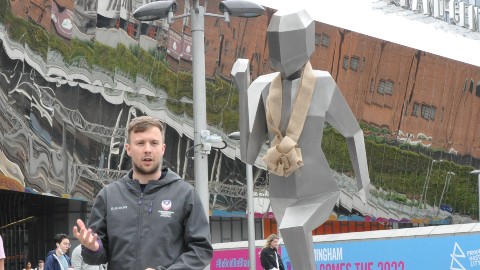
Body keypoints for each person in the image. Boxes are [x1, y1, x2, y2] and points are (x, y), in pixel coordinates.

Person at [231, 8, 370, 270]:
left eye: (288, 40)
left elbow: (353, 131)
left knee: (295, 227)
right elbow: (249, 155)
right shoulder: (260, 86)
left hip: (317, 190)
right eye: (276, 41)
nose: (281, 51)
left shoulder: (323, 83)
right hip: (281, 195)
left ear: (304, 41)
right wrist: (243, 94)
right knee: (299, 249)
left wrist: (364, 181)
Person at [72, 116, 213, 270]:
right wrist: (93, 248)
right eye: (140, 143)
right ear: (128, 149)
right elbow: (97, 255)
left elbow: (201, 251)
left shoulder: (185, 195)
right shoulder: (108, 196)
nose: (147, 149)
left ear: (163, 149)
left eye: (154, 143)